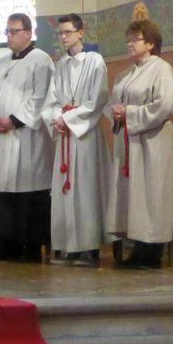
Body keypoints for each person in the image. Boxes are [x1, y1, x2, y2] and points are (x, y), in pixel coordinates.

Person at [106, 20, 173, 269]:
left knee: (152, 193)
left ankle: (152, 251)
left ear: (151, 43)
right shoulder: (126, 74)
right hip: (130, 142)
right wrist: (116, 113)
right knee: (135, 195)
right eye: (128, 39)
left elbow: (164, 106)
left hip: (153, 141)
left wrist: (130, 114)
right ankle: (138, 248)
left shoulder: (162, 69)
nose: (129, 43)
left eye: (135, 38)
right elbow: (114, 103)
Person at [0, 13, 54, 263]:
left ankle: (30, 247)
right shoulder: (0, 64)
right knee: (2, 188)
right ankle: (6, 246)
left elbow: (41, 97)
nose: (8, 36)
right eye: (6, 31)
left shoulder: (41, 61)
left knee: (27, 188)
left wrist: (14, 120)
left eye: (13, 31)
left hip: (26, 138)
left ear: (28, 33)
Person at [41, 14, 110, 268]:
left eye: (68, 32)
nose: (64, 37)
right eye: (60, 33)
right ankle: (69, 246)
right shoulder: (59, 65)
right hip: (66, 136)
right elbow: (51, 100)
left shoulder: (95, 61)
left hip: (85, 136)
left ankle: (89, 248)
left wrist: (68, 118)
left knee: (86, 191)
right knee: (65, 191)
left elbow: (97, 99)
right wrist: (57, 118)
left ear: (81, 32)